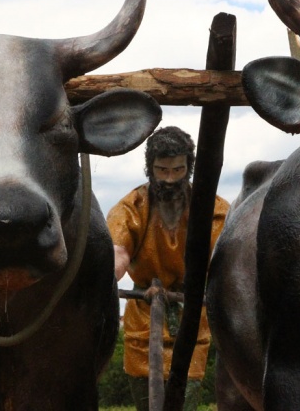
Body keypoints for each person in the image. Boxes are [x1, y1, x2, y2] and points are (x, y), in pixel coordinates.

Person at [107, 126, 230, 411]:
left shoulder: (213, 209)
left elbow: (224, 260)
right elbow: (118, 251)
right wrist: (104, 278)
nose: (170, 179)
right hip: (143, 319)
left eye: (178, 170)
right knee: (146, 401)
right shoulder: (131, 207)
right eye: (162, 170)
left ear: (189, 167)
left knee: (185, 397)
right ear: (150, 168)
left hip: (192, 319)